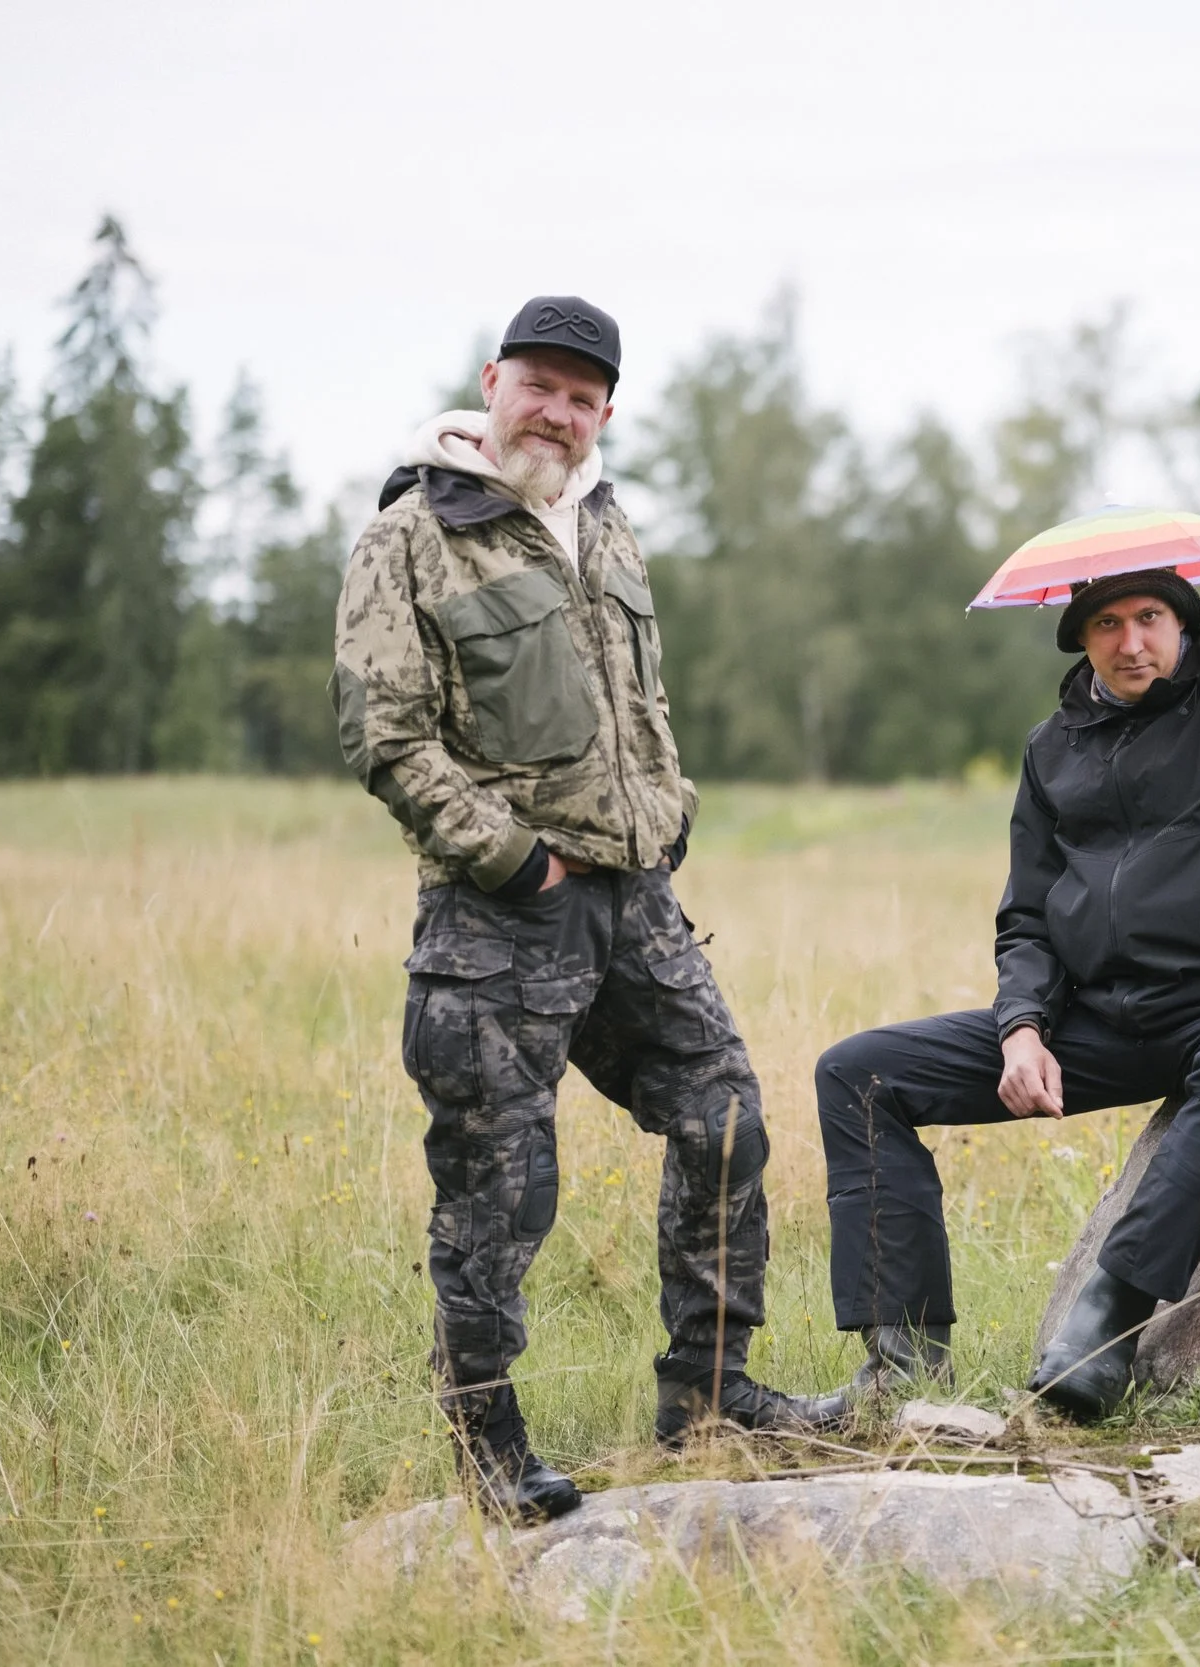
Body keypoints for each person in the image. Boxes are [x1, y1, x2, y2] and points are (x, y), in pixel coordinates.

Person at [330, 295, 831, 1523]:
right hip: (499, 915)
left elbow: (643, 704)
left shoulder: (605, 525)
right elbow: (383, 733)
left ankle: (709, 1394)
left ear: (607, 410)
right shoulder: (408, 538)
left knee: (724, 1120)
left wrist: (670, 805)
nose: (557, 410)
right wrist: (511, 860)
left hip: (635, 895)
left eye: (583, 394)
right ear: (492, 381)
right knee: (501, 1186)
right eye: (538, 383)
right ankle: (489, 1445)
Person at [811, 569, 1200, 1420]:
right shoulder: (1054, 746)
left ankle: (1106, 1327)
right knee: (859, 1073)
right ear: (1081, 639)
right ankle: (900, 1368)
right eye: (1107, 624)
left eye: (1150, 618)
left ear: (1184, 621)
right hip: (1103, 1019)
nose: (1131, 642)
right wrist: (1021, 1028)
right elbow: (1027, 918)